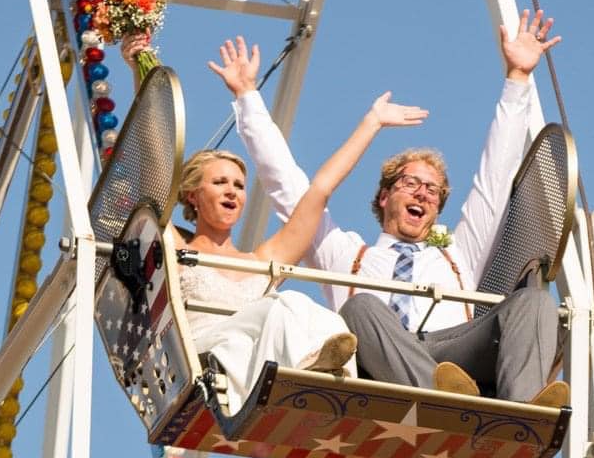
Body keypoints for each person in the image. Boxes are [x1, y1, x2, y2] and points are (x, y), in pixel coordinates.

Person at [210, 11, 568, 407]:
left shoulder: (459, 254)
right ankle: (439, 401)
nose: (423, 194)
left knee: (534, 302)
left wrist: (518, 78)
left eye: (433, 190)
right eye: (411, 183)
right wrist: (247, 97)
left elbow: (494, 178)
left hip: (453, 359)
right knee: (361, 306)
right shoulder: (345, 253)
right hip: (379, 362)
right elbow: (290, 187)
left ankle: (519, 414)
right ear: (384, 196)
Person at [171, 90, 427, 412]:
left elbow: (320, 191)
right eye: (220, 182)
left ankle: (336, 385)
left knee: (327, 316)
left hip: (256, 354)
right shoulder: (177, 249)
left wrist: (371, 123)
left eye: (239, 185)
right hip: (208, 357)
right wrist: (146, 78)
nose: (232, 191)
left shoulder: (261, 261)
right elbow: (150, 178)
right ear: (193, 195)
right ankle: (308, 372)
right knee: (284, 303)